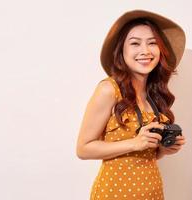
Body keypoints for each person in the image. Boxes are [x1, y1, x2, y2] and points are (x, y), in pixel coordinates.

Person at [76, 9, 186, 200]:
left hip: (152, 193)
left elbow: (147, 155)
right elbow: (83, 149)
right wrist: (134, 143)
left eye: (152, 43)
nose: (145, 51)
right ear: (122, 51)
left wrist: (163, 150)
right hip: (115, 194)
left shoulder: (155, 95)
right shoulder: (109, 89)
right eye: (135, 43)